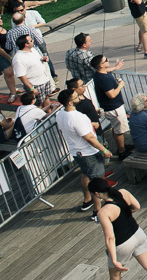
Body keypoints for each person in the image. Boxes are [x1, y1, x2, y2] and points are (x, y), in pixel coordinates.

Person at [57, 88, 114, 218]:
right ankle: (97, 211)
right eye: (76, 96)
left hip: (77, 152)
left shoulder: (60, 115)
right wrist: (104, 150)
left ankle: (87, 200)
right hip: (88, 153)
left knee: (85, 174)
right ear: (70, 103)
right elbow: (89, 138)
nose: (80, 97)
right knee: (97, 182)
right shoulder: (77, 117)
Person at [91, 54, 132, 160]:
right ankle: (122, 151)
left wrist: (115, 67)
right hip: (114, 108)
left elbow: (107, 70)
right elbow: (112, 95)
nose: (108, 61)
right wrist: (120, 85)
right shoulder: (104, 79)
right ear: (101, 65)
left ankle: (121, 146)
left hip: (111, 107)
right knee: (119, 130)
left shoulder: (99, 74)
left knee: (116, 127)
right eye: (106, 60)